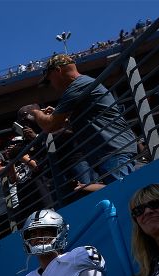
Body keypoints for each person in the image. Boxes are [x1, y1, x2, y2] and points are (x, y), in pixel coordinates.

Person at [31, 54, 139, 191]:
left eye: (49, 80)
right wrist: (64, 117)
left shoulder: (76, 86)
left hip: (113, 151)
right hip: (112, 150)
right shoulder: (82, 84)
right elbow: (87, 119)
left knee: (125, 195)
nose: (51, 85)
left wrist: (35, 112)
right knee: (124, 194)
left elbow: (50, 125)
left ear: (57, 70)